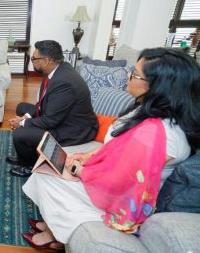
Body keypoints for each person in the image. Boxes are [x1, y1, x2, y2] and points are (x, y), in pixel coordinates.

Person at [21, 47, 200, 250]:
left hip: (128, 198)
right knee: (49, 167)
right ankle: (55, 228)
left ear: (158, 86)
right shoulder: (149, 109)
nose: (127, 76)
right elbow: (118, 146)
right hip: (115, 176)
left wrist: (78, 170)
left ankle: (58, 235)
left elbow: (120, 180)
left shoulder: (159, 134)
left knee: (48, 174)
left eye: (134, 74)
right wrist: (86, 156)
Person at [7, 40, 98, 177]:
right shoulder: (55, 70)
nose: (32, 61)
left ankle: (29, 165)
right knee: (22, 108)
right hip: (60, 117)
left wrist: (21, 123)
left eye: (34, 59)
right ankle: (24, 156)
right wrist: (26, 117)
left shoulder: (64, 82)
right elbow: (42, 102)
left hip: (73, 129)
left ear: (47, 60)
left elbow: (51, 121)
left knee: (20, 134)